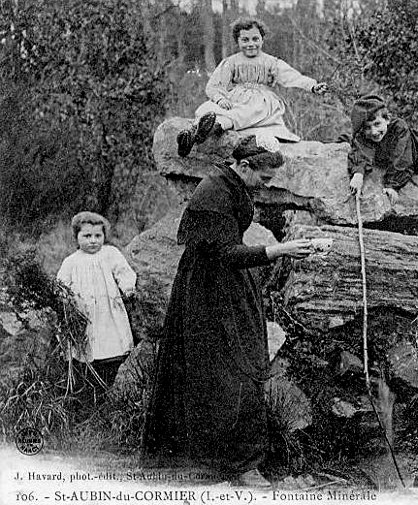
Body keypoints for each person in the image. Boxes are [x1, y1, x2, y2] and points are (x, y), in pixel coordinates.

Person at [142, 135, 315, 483]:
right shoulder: (212, 192)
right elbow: (223, 254)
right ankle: (230, 465)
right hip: (208, 294)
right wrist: (280, 250)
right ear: (245, 165)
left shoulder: (230, 183)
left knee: (235, 370)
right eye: (264, 178)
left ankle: (235, 460)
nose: (266, 186)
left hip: (227, 287)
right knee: (223, 373)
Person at [177, 17, 328, 157]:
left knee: (242, 113)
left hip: (261, 102)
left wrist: (312, 86)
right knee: (209, 107)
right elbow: (213, 86)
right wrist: (220, 99)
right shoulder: (231, 62)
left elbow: (292, 76)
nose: (251, 44)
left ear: (262, 40)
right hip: (237, 96)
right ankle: (193, 134)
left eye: (255, 39)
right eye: (245, 40)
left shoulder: (271, 62)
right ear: (238, 41)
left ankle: (214, 128)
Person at [57, 211, 137, 387]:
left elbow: (123, 271)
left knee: (111, 339)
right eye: (86, 236)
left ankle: (112, 373)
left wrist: (128, 288)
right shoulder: (71, 261)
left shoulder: (110, 254)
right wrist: (67, 300)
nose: (93, 240)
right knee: (86, 345)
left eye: (97, 236)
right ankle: (88, 381)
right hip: (84, 313)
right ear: (76, 237)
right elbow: (61, 284)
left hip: (107, 309)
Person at [347, 95, 418, 205]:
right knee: (349, 139)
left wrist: (392, 185)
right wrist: (358, 173)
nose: (374, 131)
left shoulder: (399, 128)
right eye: (367, 127)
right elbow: (360, 150)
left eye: (377, 124)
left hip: (412, 158)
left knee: (407, 157)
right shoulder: (364, 135)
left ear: (387, 119)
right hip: (385, 157)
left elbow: (402, 159)